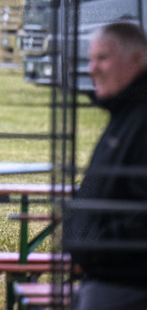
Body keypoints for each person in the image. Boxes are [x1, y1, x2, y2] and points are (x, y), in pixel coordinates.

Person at [65, 22, 147, 310]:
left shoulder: (140, 119)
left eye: (103, 58)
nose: (92, 68)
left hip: (125, 284)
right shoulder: (124, 114)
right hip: (101, 278)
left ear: (138, 59)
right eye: (90, 59)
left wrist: (99, 247)